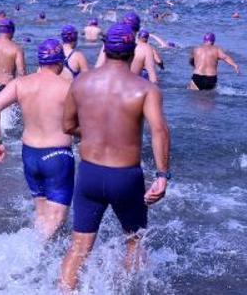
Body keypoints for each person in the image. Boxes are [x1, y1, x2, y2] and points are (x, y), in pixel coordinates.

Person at [59, 23, 171, 290]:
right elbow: (159, 131)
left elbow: (67, 126)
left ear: (105, 49)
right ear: (133, 51)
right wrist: (162, 176)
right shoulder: (145, 89)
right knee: (134, 241)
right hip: (125, 177)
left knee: (79, 247)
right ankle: (123, 288)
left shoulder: (81, 82)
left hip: (88, 174)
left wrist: (96, 132)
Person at [0, 39, 73, 237]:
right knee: (57, 218)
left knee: (42, 214)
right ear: (60, 62)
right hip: (57, 156)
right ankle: (35, 260)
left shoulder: (20, 84)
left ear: (40, 61)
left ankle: (36, 251)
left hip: (30, 155)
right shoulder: (68, 87)